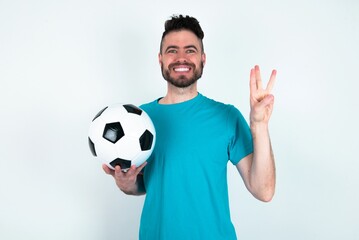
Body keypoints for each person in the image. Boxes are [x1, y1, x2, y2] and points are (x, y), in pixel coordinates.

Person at [103, 14, 276, 240]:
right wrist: (127, 183)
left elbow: (263, 191)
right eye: (172, 50)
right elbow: (143, 185)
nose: (181, 58)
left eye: (190, 50)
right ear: (160, 59)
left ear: (203, 59)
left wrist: (259, 125)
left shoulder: (226, 117)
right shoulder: (139, 120)